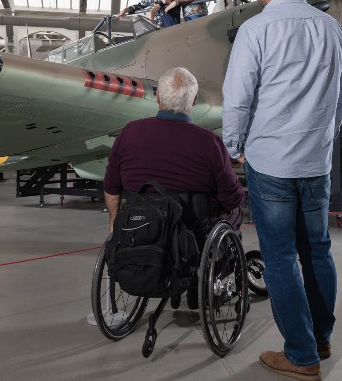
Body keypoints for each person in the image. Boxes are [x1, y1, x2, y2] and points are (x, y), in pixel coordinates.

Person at [222, 0, 342, 380]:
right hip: (316, 163)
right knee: (318, 250)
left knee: (279, 258)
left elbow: (238, 98)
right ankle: (321, 337)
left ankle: (301, 354)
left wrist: (234, 144)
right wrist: (324, 140)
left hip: (271, 162)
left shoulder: (255, 31)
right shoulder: (332, 29)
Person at [104, 67, 245, 308]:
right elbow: (230, 198)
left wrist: (115, 224)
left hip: (142, 228)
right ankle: (213, 283)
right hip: (192, 232)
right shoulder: (208, 142)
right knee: (235, 211)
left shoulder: (129, 133)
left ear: (158, 96)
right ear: (193, 101)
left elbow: (111, 187)